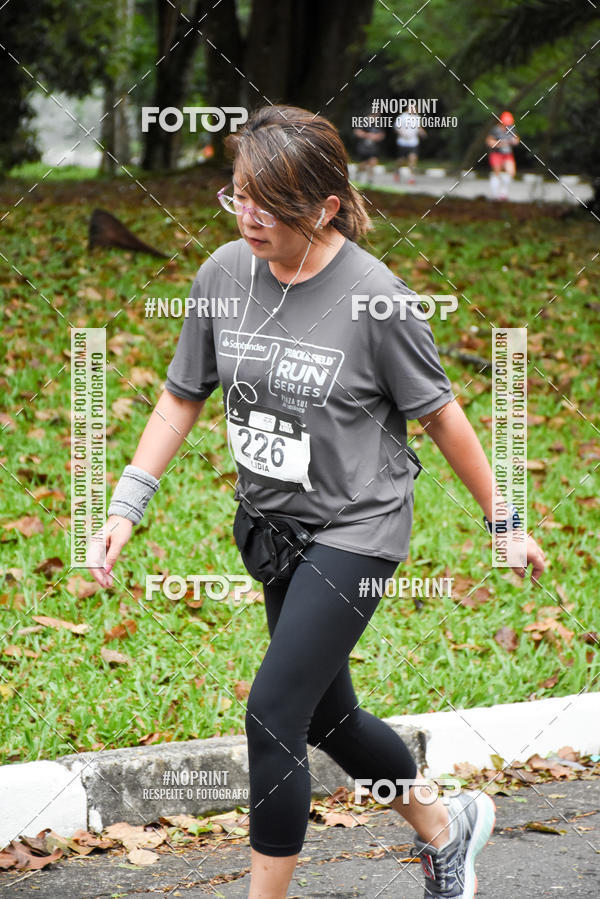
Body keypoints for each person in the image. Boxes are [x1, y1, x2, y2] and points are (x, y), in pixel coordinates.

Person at [89, 104, 545, 899]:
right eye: (238, 195)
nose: (251, 216)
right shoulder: (224, 274)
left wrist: (503, 522)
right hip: (273, 524)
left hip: (358, 528)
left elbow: (441, 415)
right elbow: (179, 395)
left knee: (272, 715)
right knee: (329, 717)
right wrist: (128, 503)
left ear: (327, 206)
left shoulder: (377, 299)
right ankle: (448, 829)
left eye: (272, 202)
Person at [486, 111, 520, 200]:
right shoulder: (495, 130)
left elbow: (516, 139)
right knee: (497, 172)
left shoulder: (511, 129)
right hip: (496, 153)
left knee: (511, 172)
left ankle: (503, 191)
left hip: (507, 154)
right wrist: (500, 144)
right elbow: (489, 141)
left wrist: (514, 141)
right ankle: (495, 193)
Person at [394, 101, 426, 183]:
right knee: (402, 160)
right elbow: (397, 127)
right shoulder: (402, 117)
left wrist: (422, 132)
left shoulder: (417, 117)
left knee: (413, 159)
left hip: (413, 142)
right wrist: (402, 133)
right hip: (403, 142)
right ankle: (397, 171)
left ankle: (411, 177)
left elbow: (419, 127)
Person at [352, 118, 386, 184]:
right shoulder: (364, 122)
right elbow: (357, 131)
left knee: (373, 161)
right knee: (363, 163)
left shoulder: (378, 124)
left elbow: (382, 135)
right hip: (363, 146)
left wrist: (376, 137)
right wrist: (367, 135)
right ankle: (358, 173)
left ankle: (370, 179)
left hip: (373, 147)